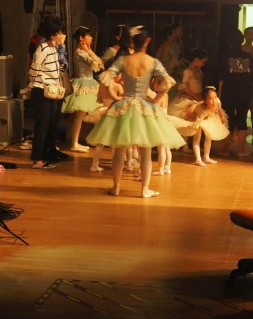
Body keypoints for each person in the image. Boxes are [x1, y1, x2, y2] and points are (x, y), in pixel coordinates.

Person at [86, 28, 185, 198]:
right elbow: (168, 83)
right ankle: (144, 189)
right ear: (147, 42)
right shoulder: (153, 62)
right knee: (145, 152)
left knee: (119, 150)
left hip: (124, 105)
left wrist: (115, 94)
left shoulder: (124, 60)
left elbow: (106, 77)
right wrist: (156, 99)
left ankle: (116, 187)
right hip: (145, 107)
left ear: (132, 42)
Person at [26, 16, 66, 169]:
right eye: (59, 32)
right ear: (53, 33)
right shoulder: (42, 48)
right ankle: (36, 159)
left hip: (50, 91)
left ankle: (41, 156)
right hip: (41, 91)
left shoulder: (52, 48)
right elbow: (33, 71)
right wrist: (41, 81)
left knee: (48, 124)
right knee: (42, 125)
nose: (61, 35)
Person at [61, 26, 104, 152]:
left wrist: (89, 51)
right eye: (88, 36)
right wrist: (89, 51)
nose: (91, 38)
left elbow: (100, 64)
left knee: (94, 112)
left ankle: (93, 140)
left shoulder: (84, 52)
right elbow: (98, 64)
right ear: (81, 38)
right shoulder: (80, 53)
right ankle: (74, 143)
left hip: (89, 83)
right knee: (80, 115)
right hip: (83, 84)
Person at [218, 29, 253, 157]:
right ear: (242, 41)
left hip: (229, 92)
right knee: (242, 120)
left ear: (229, 43)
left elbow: (221, 78)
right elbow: (252, 76)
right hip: (244, 92)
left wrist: (219, 95)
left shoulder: (225, 57)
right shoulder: (248, 57)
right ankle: (240, 151)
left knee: (227, 120)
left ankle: (225, 150)